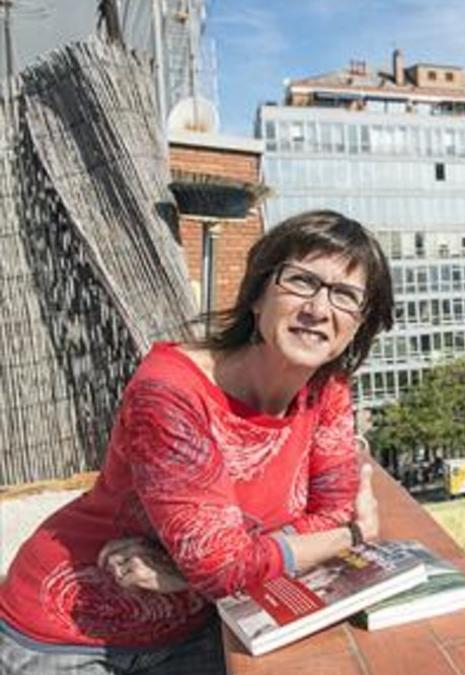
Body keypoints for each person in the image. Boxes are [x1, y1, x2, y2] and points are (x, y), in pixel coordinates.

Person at [0, 210, 394, 674]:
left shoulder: (327, 391)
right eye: (301, 282)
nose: (319, 309)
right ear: (258, 296)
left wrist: (189, 572)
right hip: (68, 639)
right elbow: (228, 566)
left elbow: (319, 518)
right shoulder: (172, 391)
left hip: (201, 629)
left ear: (360, 323)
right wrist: (349, 537)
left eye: (345, 296)